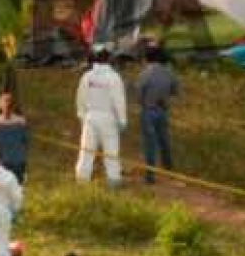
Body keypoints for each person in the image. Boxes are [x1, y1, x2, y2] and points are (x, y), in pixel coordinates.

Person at [74, 49, 127, 188]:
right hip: (108, 118)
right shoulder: (114, 77)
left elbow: (80, 99)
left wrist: (82, 116)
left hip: (90, 118)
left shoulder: (87, 77)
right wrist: (122, 120)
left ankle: (81, 180)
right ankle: (113, 181)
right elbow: (119, 100)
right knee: (111, 152)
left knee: (86, 151)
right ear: (109, 59)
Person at [136, 45, 178, 183]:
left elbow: (139, 93)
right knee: (164, 140)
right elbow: (175, 91)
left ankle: (150, 176)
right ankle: (169, 169)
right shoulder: (169, 73)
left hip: (148, 111)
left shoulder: (145, 74)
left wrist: (144, 102)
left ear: (148, 58)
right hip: (162, 110)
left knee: (150, 144)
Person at [0, 91, 30, 184]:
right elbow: (26, 141)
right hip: (6, 163)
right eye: (6, 103)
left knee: (13, 188)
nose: (7, 106)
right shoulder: (20, 122)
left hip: (14, 163)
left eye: (8, 103)